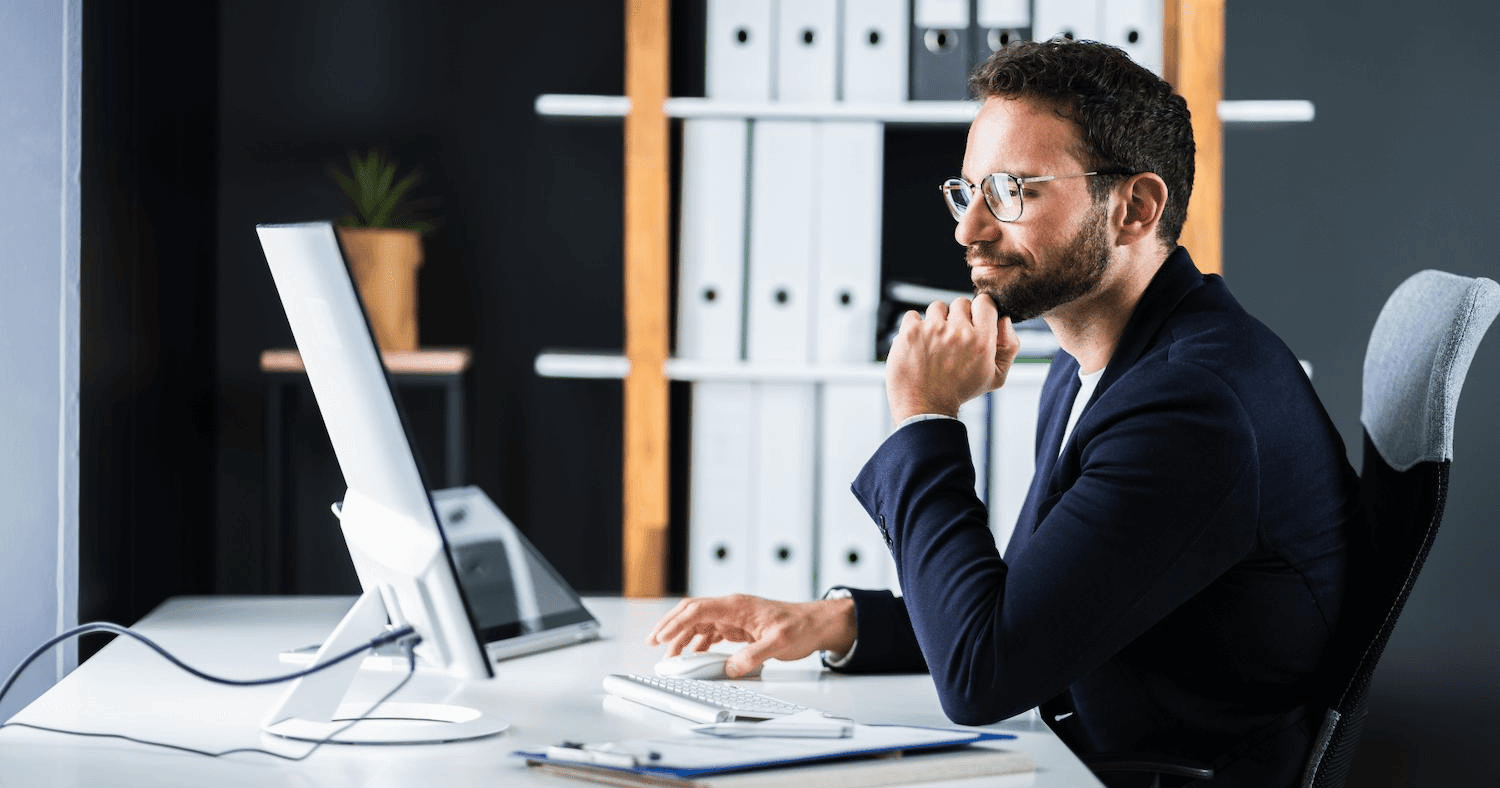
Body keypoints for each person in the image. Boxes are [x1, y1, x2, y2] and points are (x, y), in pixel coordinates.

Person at [648, 39, 1358, 787]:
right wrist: (842, 624)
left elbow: (983, 676)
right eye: (968, 191)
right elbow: (1027, 607)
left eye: (1014, 191)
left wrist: (925, 415)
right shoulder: (1099, 365)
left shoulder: (1190, 407)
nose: (969, 230)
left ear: (1135, 208)